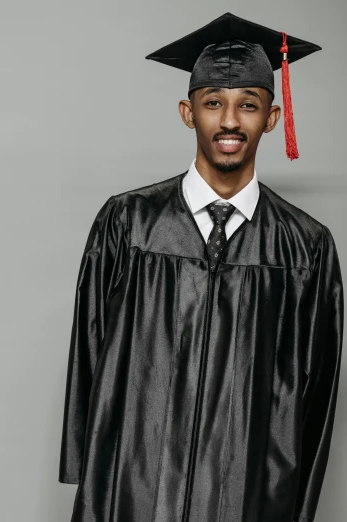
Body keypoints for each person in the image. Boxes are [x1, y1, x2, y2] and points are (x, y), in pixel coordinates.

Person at [58, 12, 343, 522]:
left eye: (248, 106)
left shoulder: (305, 249)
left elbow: (318, 398)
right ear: (188, 113)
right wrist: (92, 478)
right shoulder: (128, 225)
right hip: (133, 488)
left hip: (247, 495)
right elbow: (89, 348)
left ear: (272, 118)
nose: (230, 121)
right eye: (214, 104)